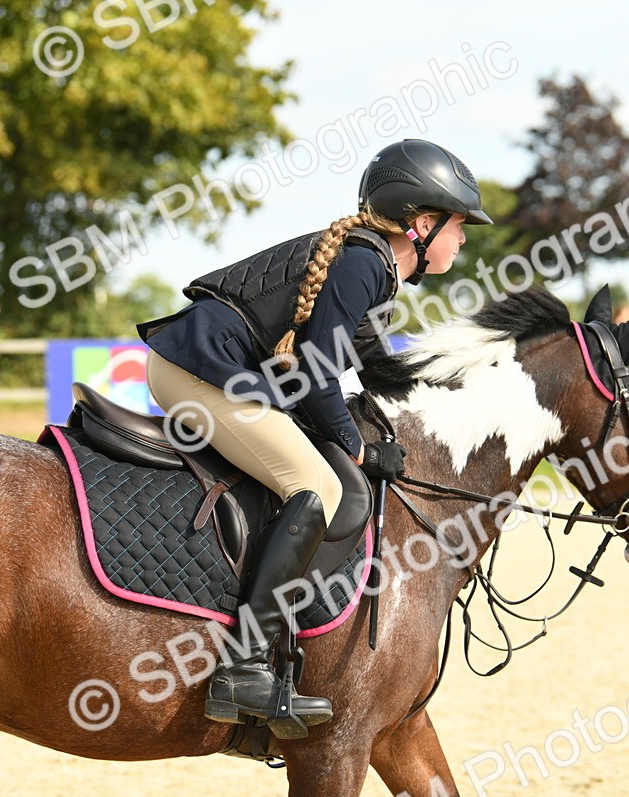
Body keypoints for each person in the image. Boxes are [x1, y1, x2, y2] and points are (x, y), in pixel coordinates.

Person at [136, 139, 491, 738]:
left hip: (216, 371)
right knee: (317, 486)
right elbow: (319, 370)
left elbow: (377, 368)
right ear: (422, 223)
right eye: (459, 226)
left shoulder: (373, 265)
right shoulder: (365, 263)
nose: (462, 240)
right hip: (200, 372)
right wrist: (350, 439)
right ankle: (243, 664)